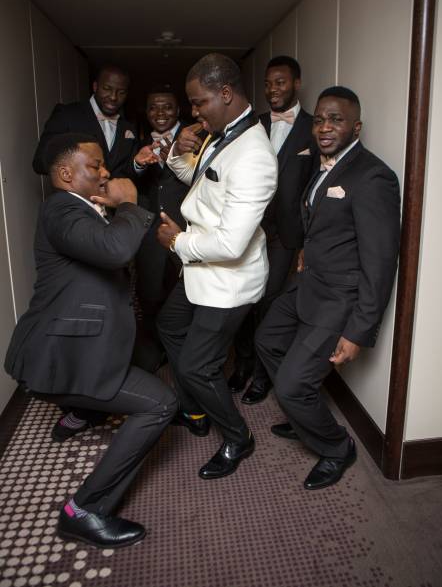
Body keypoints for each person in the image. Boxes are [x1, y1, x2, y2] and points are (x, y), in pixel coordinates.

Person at [5, 133, 177, 547]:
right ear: (66, 174)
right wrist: (129, 203)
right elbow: (114, 250)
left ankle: (81, 412)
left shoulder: (80, 206)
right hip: (58, 353)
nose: (105, 173)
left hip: (78, 341)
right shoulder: (60, 209)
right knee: (160, 403)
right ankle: (84, 510)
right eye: (96, 165)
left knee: (146, 356)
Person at [255, 86, 400, 490]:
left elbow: (380, 263)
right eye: (319, 119)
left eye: (336, 119)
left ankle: (337, 447)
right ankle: (305, 417)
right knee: (266, 340)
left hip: (339, 300)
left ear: (357, 127)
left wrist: (358, 331)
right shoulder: (322, 166)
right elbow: (322, 222)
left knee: (291, 386)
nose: (324, 127)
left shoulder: (373, 176)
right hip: (308, 284)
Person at [156, 53, 278, 479]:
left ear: (225, 93)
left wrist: (177, 242)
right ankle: (194, 408)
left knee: (196, 365)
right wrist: (177, 155)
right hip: (201, 269)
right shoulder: (221, 134)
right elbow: (203, 184)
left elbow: (230, 242)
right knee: (169, 326)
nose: (193, 112)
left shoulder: (254, 154)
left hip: (228, 280)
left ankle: (239, 438)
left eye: (198, 102)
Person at [229, 55, 316, 404]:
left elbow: (315, 187)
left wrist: (308, 240)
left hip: (285, 236)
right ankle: (242, 364)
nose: (272, 90)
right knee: (242, 299)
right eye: (267, 84)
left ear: (297, 84)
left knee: (269, 302)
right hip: (248, 229)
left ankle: (262, 376)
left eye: (280, 82)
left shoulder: (314, 127)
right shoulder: (253, 125)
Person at [133, 88, 189, 371]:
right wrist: (137, 164)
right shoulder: (137, 142)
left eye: (167, 107)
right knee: (150, 295)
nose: (161, 113)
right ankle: (156, 352)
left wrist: (177, 160)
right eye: (154, 107)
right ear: (146, 112)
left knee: (187, 294)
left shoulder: (195, 139)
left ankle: (185, 352)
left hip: (186, 230)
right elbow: (126, 179)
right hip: (150, 234)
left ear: (178, 110)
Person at [32, 65, 158, 179]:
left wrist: (137, 163)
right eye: (107, 89)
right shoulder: (67, 114)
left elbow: (124, 172)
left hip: (115, 198)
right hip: (78, 198)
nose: (113, 97)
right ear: (95, 87)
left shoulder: (128, 128)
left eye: (121, 92)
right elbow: (40, 162)